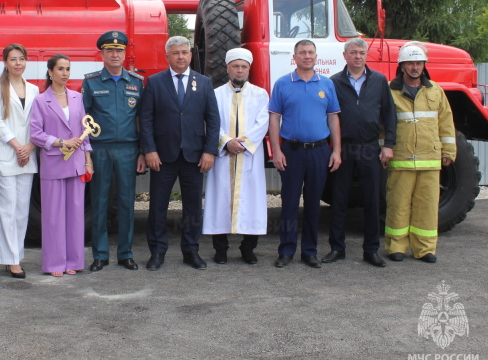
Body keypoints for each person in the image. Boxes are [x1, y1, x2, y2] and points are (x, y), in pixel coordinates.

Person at [139, 35, 220, 271]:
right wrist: (150, 150)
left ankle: (191, 251)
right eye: (176, 53)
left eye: (185, 52)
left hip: (195, 157)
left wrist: (209, 151)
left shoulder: (204, 83)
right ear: (167, 56)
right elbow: (146, 119)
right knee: (157, 206)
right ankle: (157, 252)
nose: (181, 56)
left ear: (191, 55)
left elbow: (213, 121)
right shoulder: (154, 82)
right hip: (162, 156)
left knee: (193, 206)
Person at [268, 39, 341, 269]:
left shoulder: (327, 84)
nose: (307, 56)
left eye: (310, 52)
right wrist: (276, 150)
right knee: (289, 202)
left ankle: (309, 251)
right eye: (302, 52)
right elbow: (274, 118)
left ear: (316, 56)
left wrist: (336, 150)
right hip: (292, 151)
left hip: (320, 151)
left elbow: (333, 118)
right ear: (295, 57)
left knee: (313, 203)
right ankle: (286, 251)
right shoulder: (282, 84)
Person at [324, 38, 396, 268]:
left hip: (370, 148)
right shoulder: (333, 82)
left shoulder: (379, 81)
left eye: (361, 53)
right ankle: (337, 248)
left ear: (367, 55)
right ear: (344, 55)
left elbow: (389, 114)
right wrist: (332, 148)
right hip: (342, 149)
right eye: (353, 52)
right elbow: (328, 115)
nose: (357, 56)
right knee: (339, 200)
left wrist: (389, 145)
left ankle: (371, 250)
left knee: (372, 201)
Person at [385, 43, 456, 263]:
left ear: (424, 65)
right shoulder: (389, 90)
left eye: (418, 63)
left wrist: (449, 151)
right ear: (402, 66)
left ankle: (425, 249)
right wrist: (383, 149)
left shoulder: (435, 91)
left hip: (430, 157)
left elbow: (446, 122)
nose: (415, 67)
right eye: (410, 63)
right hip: (401, 157)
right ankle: (396, 246)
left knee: (427, 205)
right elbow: (383, 123)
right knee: (398, 204)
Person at [82, 31, 146, 272]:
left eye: (119, 50)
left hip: (129, 150)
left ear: (125, 53)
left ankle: (125, 253)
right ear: (102, 54)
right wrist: (86, 155)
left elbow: (142, 119)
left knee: (127, 203)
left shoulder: (136, 82)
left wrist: (142, 151)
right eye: (110, 50)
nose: (115, 54)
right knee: (99, 202)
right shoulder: (91, 82)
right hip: (100, 149)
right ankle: (100, 255)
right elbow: (83, 121)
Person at [203, 48, 270, 265]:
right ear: (227, 68)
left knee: (251, 201)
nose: (239, 70)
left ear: (249, 69)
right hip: (223, 156)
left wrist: (244, 144)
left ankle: (248, 248)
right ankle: (220, 249)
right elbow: (210, 122)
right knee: (218, 200)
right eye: (235, 66)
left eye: (243, 67)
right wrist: (225, 142)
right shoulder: (215, 94)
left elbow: (263, 123)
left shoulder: (260, 94)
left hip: (250, 157)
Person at [30, 54, 93, 277]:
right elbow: (36, 134)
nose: (65, 73)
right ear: (50, 72)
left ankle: (73, 261)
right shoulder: (40, 100)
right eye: (60, 69)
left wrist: (88, 161)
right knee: (53, 217)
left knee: (75, 216)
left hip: (76, 165)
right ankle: (54, 263)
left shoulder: (77, 97)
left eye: (67, 69)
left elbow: (85, 132)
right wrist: (60, 142)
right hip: (54, 165)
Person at [0, 44, 39, 278]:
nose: (18, 63)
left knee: (21, 211)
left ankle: (17, 254)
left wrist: (29, 147)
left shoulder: (35, 89)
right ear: (5, 62)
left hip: (27, 155)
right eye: (13, 59)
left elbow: (37, 124)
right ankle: (11, 260)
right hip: (8, 155)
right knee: (6, 210)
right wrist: (18, 146)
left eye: (21, 59)